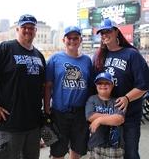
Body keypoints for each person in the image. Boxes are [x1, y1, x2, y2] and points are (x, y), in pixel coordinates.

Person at [0, 14, 46, 159]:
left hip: (33, 124)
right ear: (17, 29)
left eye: (31, 28)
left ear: (35, 31)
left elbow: (43, 85)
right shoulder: (5, 48)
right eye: (24, 27)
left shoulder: (39, 55)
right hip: (8, 123)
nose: (28, 30)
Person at [93, 18, 149, 159]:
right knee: (107, 154)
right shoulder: (98, 56)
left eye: (108, 31)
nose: (105, 35)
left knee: (130, 154)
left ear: (116, 31)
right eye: (102, 32)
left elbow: (144, 84)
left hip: (129, 117)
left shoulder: (131, 54)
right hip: (106, 115)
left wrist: (127, 98)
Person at [44, 26, 93, 159]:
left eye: (75, 38)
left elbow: (90, 87)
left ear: (80, 40)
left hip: (80, 113)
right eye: (69, 38)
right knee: (57, 151)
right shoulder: (55, 59)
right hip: (59, 112)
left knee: (77, 149)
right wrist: (47, 108)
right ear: (63, 40)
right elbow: (48, 86)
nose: (72, 41)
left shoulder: (87, 60)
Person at [85, 72, 125, 159]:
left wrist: (99, 120)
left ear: (112, 85)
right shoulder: (92, 99)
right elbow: (90, 116)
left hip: (115, 146)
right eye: (100, 83)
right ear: (96, 85)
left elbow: (119, 119)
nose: (103, 85)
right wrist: (111, 118)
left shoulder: (117, 101)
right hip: (96, 144)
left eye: (107, 83)